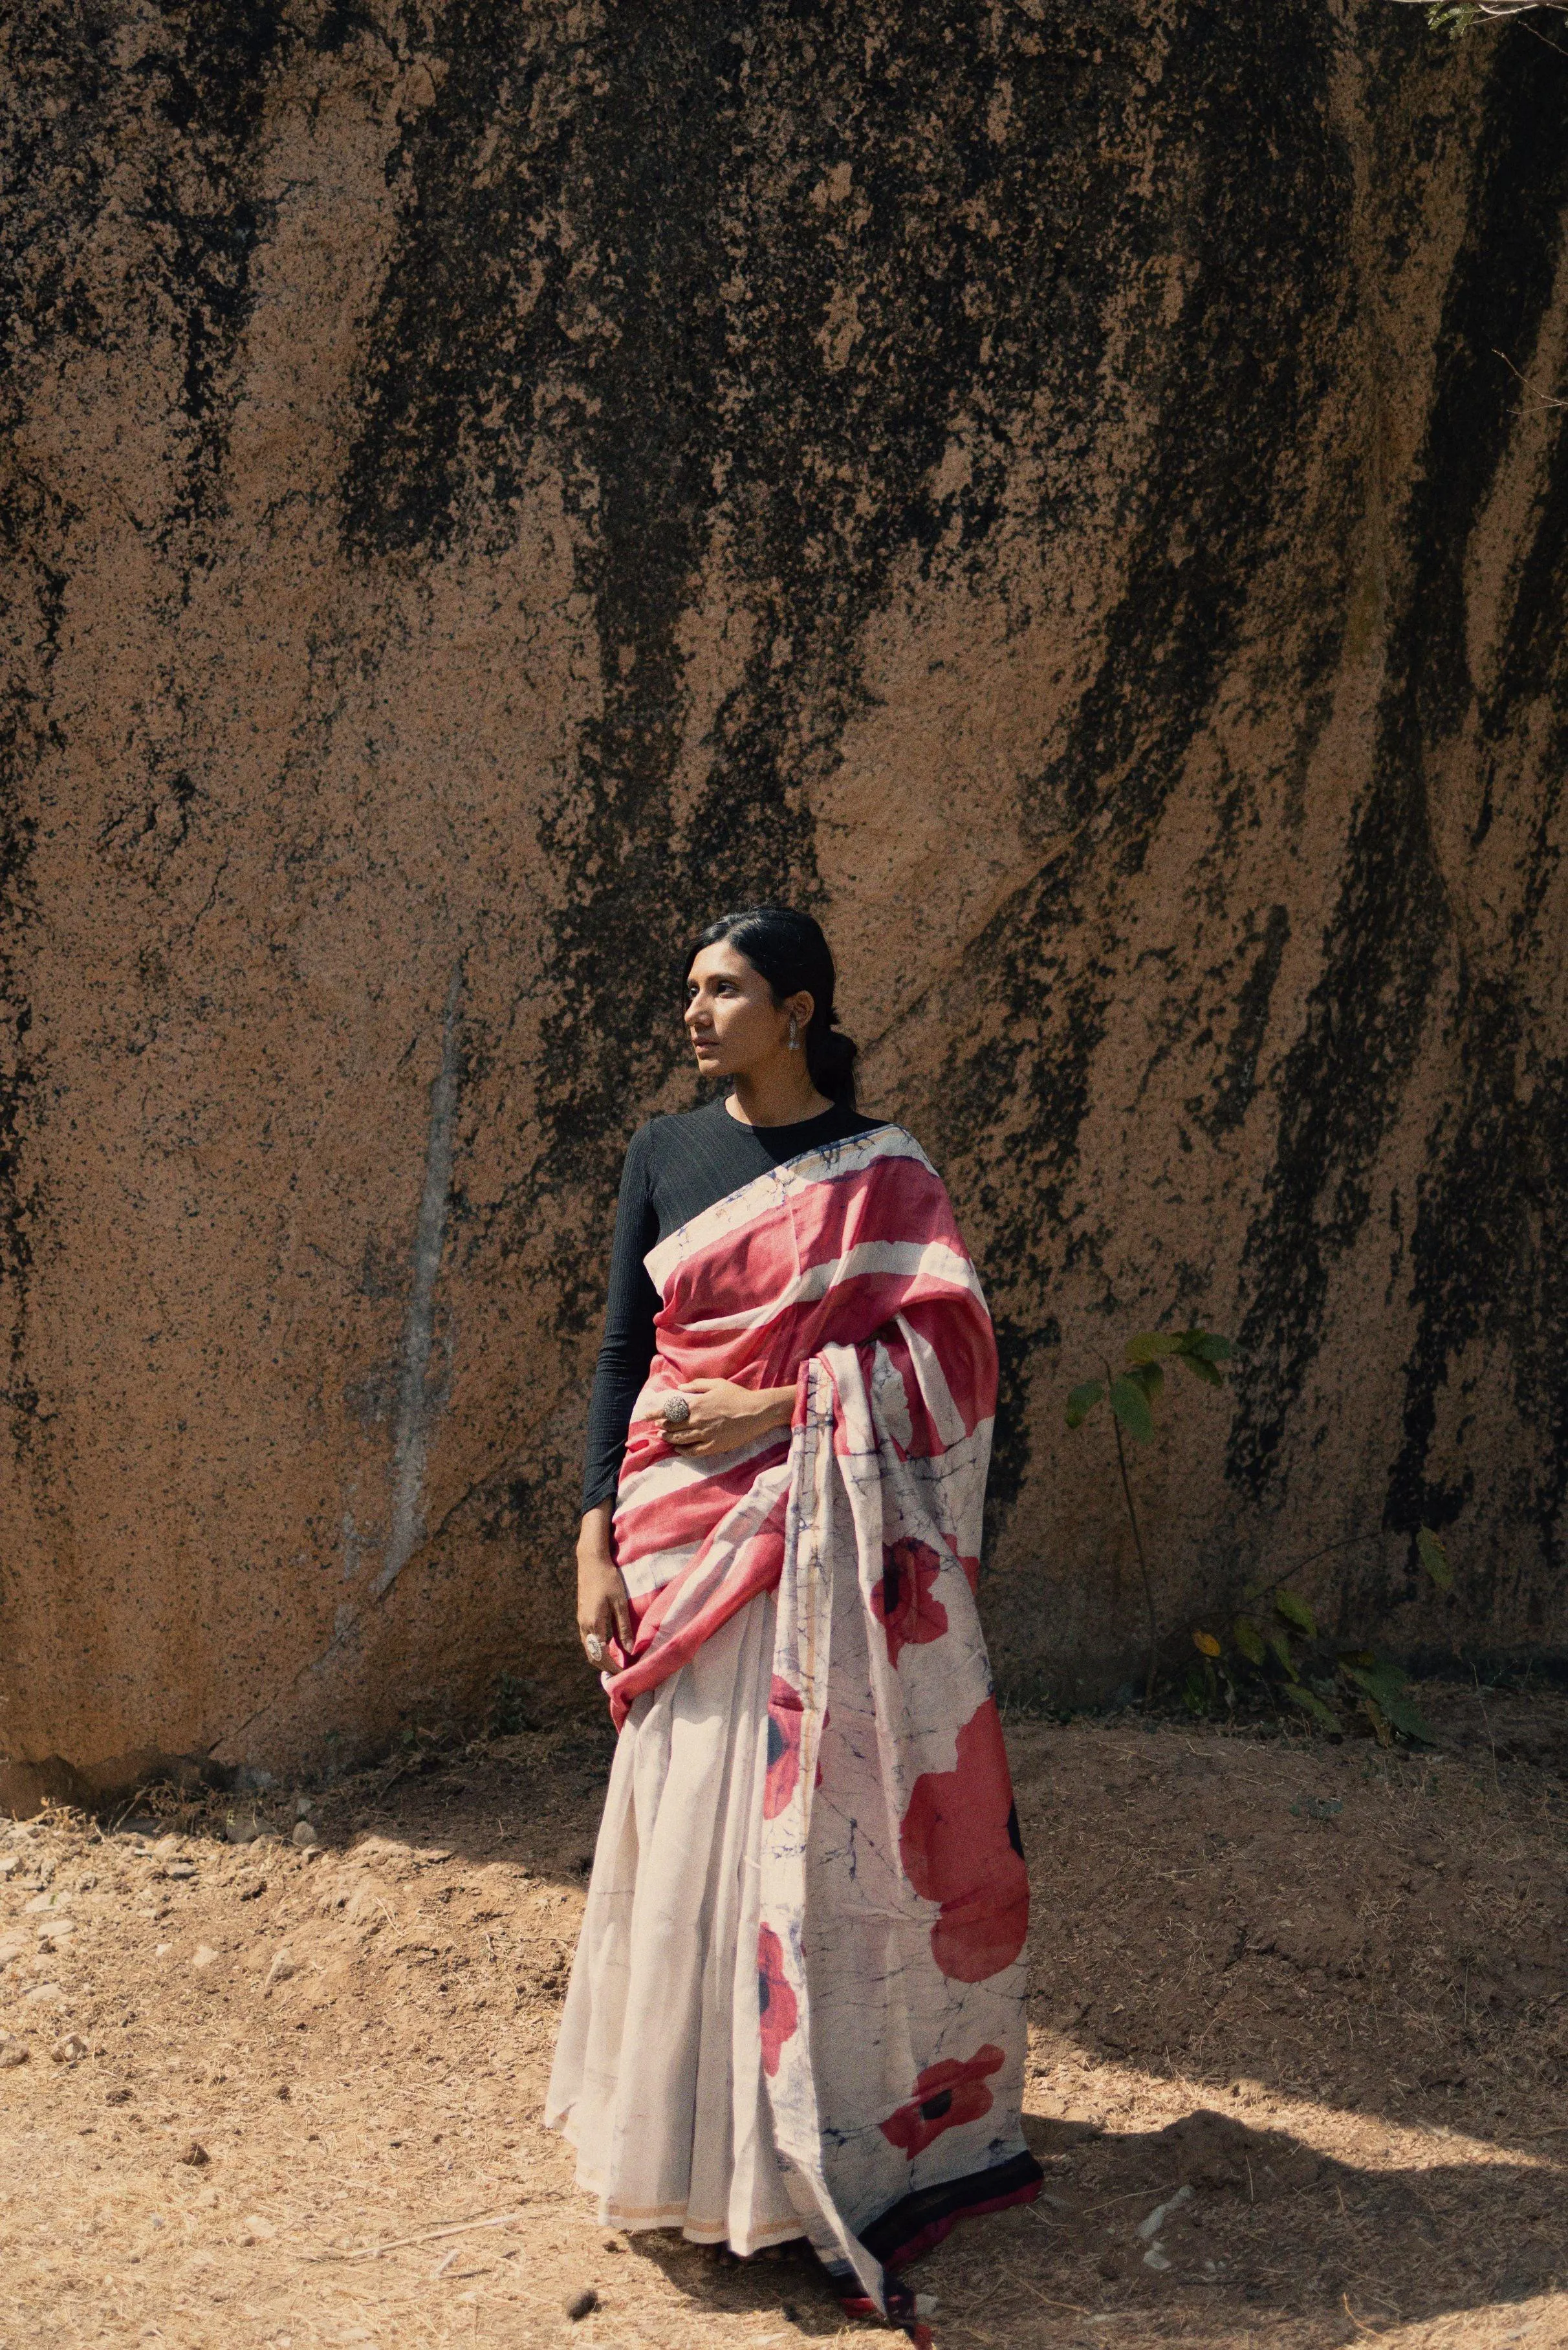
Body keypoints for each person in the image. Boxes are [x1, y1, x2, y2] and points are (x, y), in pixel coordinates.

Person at [545, 906, 1040, 2334]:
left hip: (817, 1541)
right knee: (690, 1828)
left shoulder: (886, 1171)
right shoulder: (665, 1152)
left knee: (800, 1849)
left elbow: (952, 1346)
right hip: (680, 1536)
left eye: (725, 989)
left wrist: (785, 1405)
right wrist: (592, 1539)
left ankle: (787, 2163)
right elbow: (624, 1356)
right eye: (691, 990)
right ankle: (679, 2146)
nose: (696, 1012)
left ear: (800, 1007)